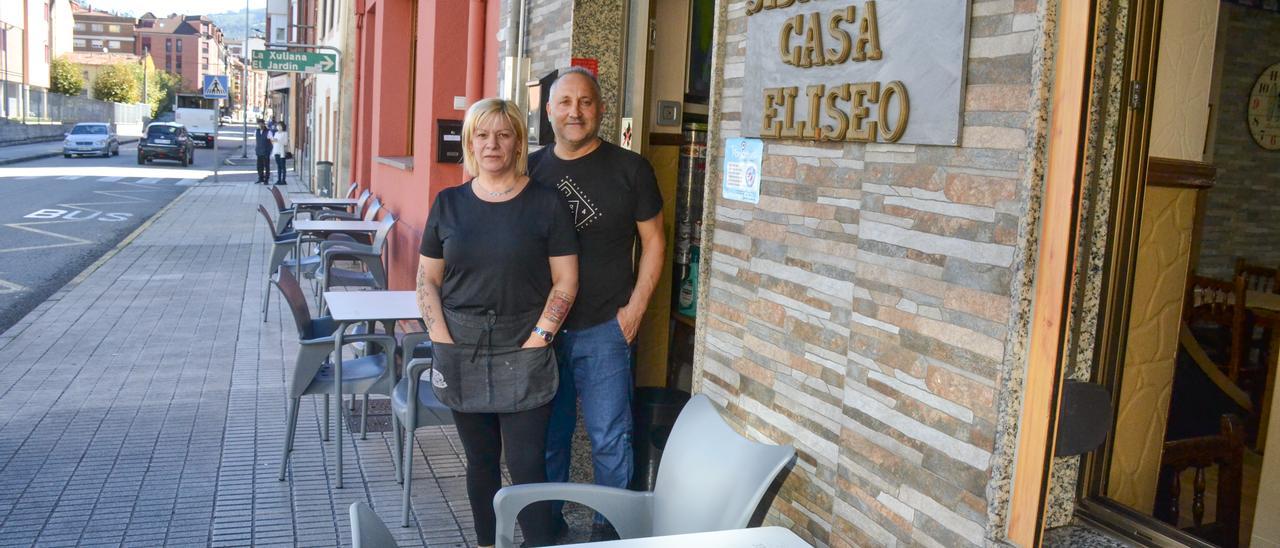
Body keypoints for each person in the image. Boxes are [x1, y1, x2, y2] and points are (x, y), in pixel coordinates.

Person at [416, 98, 578, 548]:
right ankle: (488, 543)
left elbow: (565, 280)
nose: (493, 144)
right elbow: (427, 278)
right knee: (481, 461)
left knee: (528, 464)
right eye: (483, 135)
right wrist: (441, 337)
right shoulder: (448, 203)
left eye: (503, 134)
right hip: (460, 344)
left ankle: (539, 542)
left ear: (518, 142)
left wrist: (539, 338)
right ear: (470, 142)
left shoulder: (546, 203)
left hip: (525, 344)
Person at [529, 67, 665, 538]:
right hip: (543, 332)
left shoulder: (631, 169)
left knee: (611, 438)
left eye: (585, 102)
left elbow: (655, 243)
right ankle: (548, 524)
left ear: (601, 109)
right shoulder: (530, 169)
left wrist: (636, 309)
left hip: (606, 328)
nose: (575, 112)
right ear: (548, 110)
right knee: (550, 436)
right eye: (565, 102)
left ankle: (610, 531)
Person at [254, 119, 272, 184]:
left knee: (266, 166)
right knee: (259, 166)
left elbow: (271, 142)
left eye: (261, 124)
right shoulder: (256, 131)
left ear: (264, 124)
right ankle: (260, 178)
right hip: (259, 151)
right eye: (259, 124)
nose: (260, 125)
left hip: (266, 152)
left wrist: (269, 150)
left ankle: (266, 179)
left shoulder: (268, 132)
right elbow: (256, 141)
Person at [271, 121, 289, 185]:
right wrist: (273, 141)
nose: (279, 127)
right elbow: (274, 142)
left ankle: (283, 180)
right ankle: (278, 180)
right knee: (278, 166)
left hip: (281, 152)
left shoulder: (285, 133)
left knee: (283, 166)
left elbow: (286, 143)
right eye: (278, 126)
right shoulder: (276, 133)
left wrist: (278, 141)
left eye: (280, 126)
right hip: (276, 151)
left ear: (283, 127)